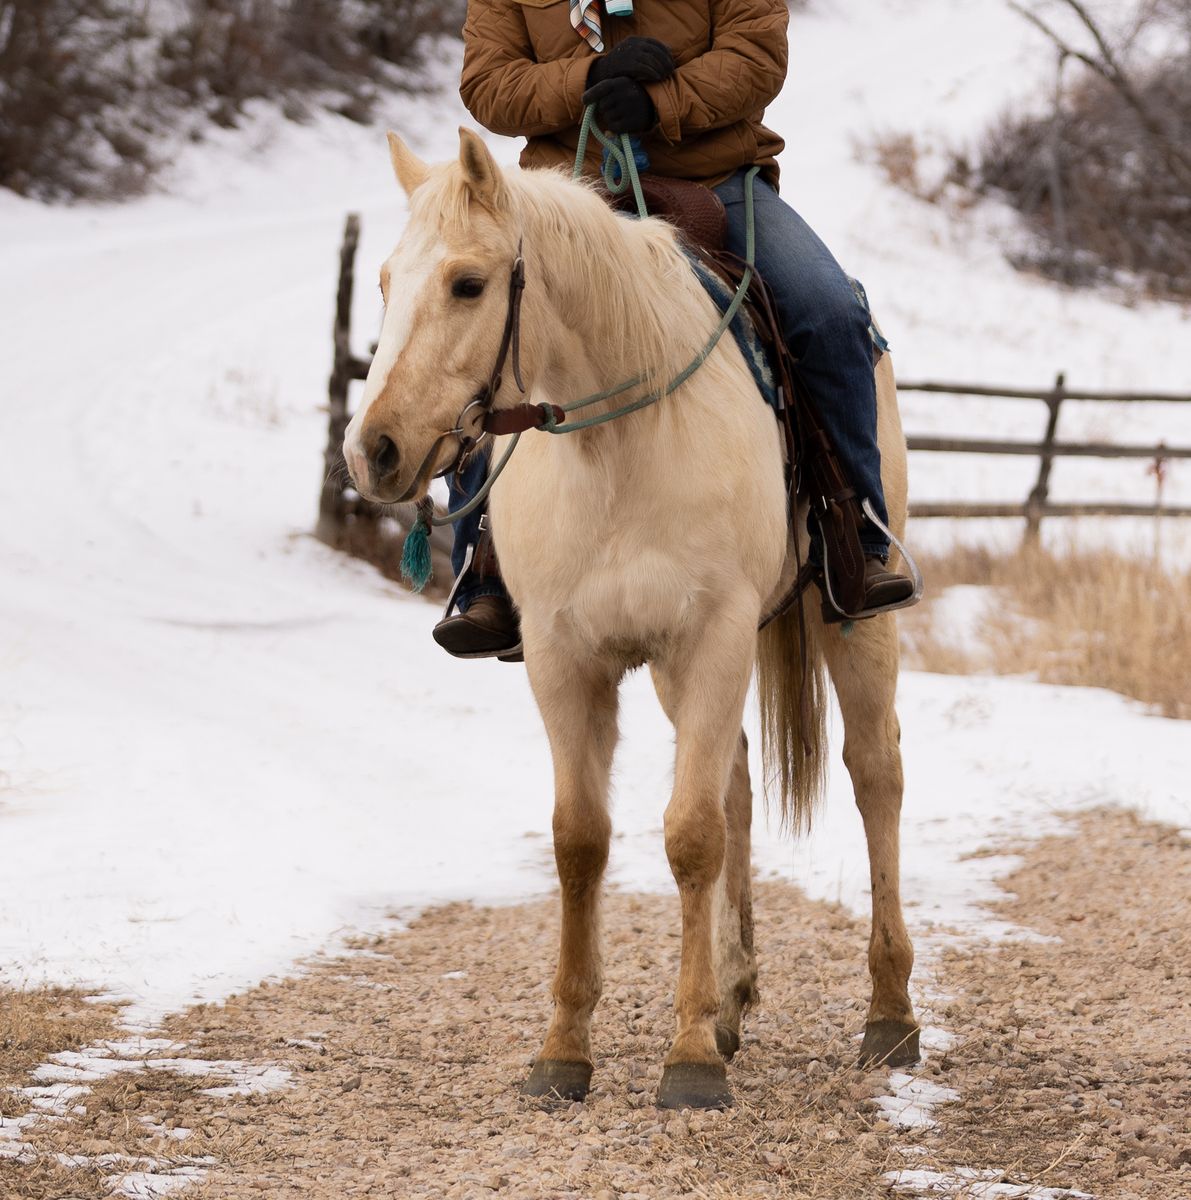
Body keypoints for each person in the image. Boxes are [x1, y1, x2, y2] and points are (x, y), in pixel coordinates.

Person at [433, 0, 915, 658]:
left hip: (715, 180)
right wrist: (587, 79)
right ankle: (484, 567)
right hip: (563, 193)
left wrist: (659, 102)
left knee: (828, 310)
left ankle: (852, 528)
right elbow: (488, 83)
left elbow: (756, 55)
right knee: (476, 318)